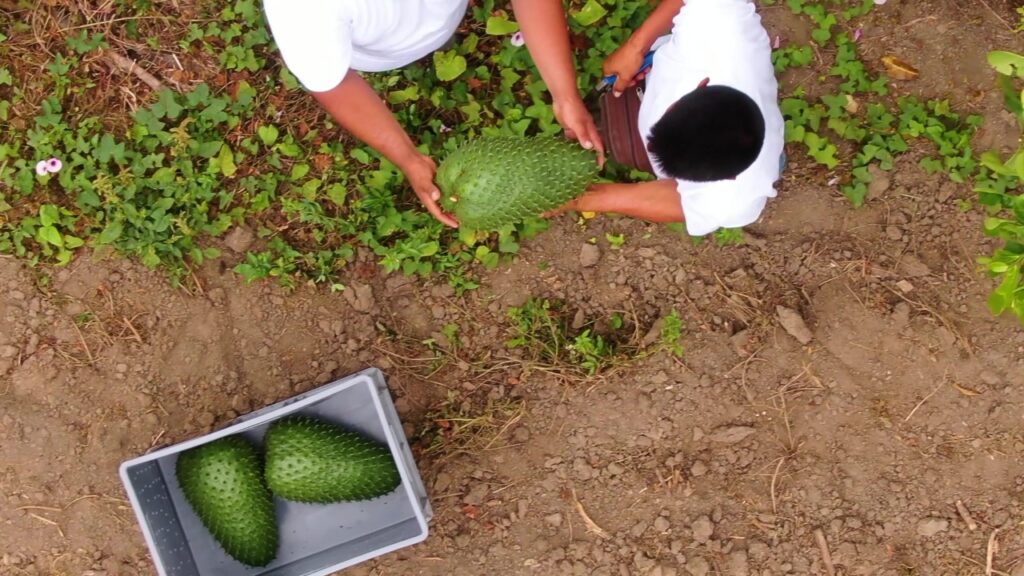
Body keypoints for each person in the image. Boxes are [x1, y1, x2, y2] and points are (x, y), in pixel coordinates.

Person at [262, 0, 604, 228]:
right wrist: (406, 157)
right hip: (381, 51)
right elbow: (332, 83)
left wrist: (565, 94)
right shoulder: (302, 11)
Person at [553, 0, 785, 237]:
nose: (650, 147)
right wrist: (636, 47)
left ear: (729, 178)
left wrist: (584, 200)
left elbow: (685, 204)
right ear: (701, 85)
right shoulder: (719, 23)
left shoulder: (734, 199)